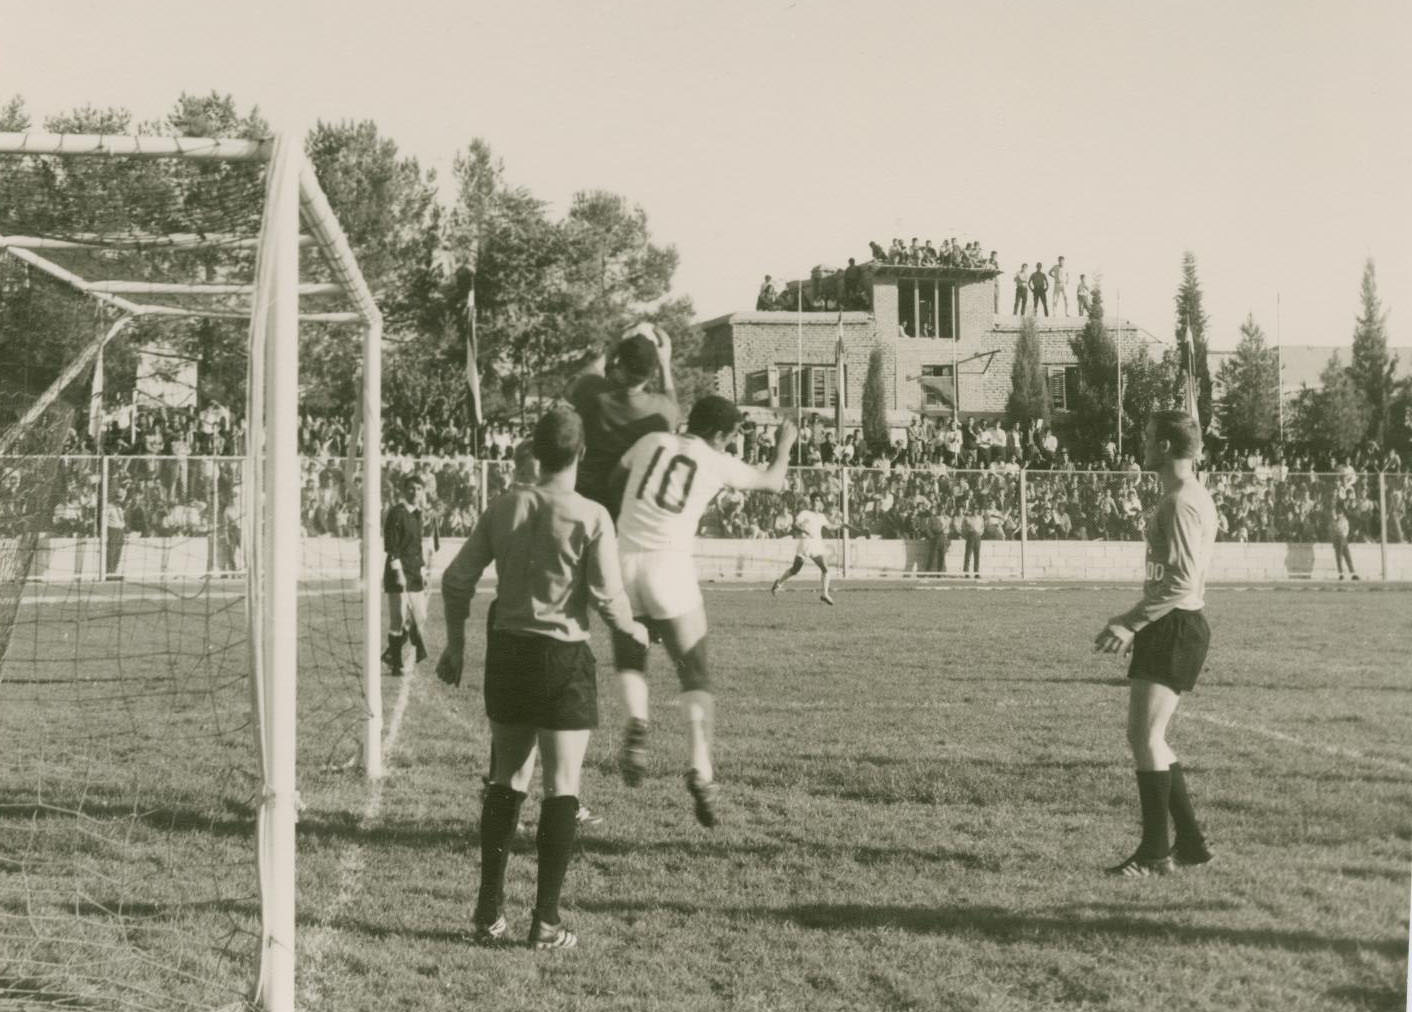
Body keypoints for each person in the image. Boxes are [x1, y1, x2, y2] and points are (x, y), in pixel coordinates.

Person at [437, 407, 650, 949]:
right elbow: (606, 598)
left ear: (534, 449)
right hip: (562, 659)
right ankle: (546, 922)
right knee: (563, 787)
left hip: (508, 653)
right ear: (581, 454)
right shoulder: (591, 515)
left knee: (506, 781)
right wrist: (634, 631)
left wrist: (457, 646)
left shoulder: (504, 507)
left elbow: (456, 579)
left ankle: (488, 913)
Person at [611, 398, 797, 826]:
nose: (731, 441)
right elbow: (772, 481)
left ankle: (637, 720)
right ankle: (701, 770)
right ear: (719, 434)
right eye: (731, 435)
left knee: (630, 657)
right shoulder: (715, 460)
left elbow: (614, 476)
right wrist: (784, 445)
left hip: (624, 560)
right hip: (668, 563)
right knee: (693, 672)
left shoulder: (651, 440)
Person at [1095, 410, 1217, 877]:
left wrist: (1131, 622)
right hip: (1173, 624)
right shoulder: (1187, 495)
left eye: (1147, 437)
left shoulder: (1183, 501)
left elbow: (1182, 581)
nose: (1141, 444)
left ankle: (1153, 852)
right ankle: (1190, 844)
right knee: (1149, 737)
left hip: (1175, 625)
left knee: (1144, 737)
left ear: (1165, 446)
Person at [566, 323, 678, 519]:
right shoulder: (662, 409)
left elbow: (572, 385)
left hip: (585, 498)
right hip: (629, 507)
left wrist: (610, 351)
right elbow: (673, 406)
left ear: (620, 364)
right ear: (653, 370)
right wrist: (665, 365)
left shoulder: (593, 392)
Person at [382, 473, 438, 677]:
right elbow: (391, 546)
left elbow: (417, 547)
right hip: (397, 572)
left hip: (414, 572)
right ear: (404, 491)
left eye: (419, 489)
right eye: (411, 489)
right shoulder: (397, 513)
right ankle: (396, 663)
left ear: (423, 492)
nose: (415, 492)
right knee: (397, 618)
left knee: (420, 616)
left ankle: (390, 652)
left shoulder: (417, 515)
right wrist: (398, 573)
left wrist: (422, 571)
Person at [770, 494, 859, 604]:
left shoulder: (821, 516)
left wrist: (842, 525)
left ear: (820, 502)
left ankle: (824, 594)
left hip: (816, 545)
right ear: (810, 502)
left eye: (817, 500)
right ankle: (778, 583)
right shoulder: (805, 513)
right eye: (814, 500)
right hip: (805, 543)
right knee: (795, 569)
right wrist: (805, 531)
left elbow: (830, 527)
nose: (815, 502)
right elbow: (795, 524)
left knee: (825, 569)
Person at [1331, 502, 1358, 580]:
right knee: (1339, 557)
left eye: (1340, 513)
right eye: (1338, 513)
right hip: (1338, 539)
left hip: (1343, 538)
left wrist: (1342, 536)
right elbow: (1334, 530)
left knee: (1347, 556)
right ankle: (1341, 573)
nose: (1339, 515)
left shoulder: (1344, 520)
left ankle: (1352, 573)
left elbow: (1346, 530)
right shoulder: (1335, 521)